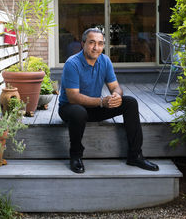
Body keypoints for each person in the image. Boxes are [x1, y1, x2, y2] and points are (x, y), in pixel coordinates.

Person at [58, 28, 159, 174]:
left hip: (94, 107)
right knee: (78, 112)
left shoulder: (105, 61)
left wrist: (116, 96)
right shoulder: (72, 63)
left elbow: (115, 87)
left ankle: (135, 156)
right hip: (70, 108)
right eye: (92, 43)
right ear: (83, 44)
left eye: (100, 43)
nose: (96, 47)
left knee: (130, 102)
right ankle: (76, 156)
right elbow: (73, 97)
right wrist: (101, 102)